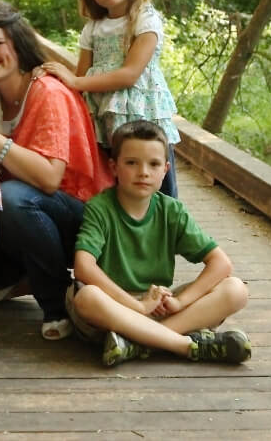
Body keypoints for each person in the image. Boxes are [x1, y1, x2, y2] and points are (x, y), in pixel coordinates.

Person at [0, 0, 113, 341]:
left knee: (13, 196)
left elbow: (50, 178)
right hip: (26, 223)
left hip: (81, 216)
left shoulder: (48, 92)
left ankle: (57, 304)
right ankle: (7, 279)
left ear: (17, 44)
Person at [66, 120, 250, 366]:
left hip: (158, 307)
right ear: (114, 167)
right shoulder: (100, 209)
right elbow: (83, 267)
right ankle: (184, 344)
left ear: (165, 170)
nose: (143, 172)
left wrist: (179, 302)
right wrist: (137, 307)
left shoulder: (171, 210)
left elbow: (220, 263)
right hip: (115, 307)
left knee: (235, 289)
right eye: (132, 163)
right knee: (86, 297)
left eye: (153, 164)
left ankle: (136, 343)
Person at [41, 0, 181, 198]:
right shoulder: (93, 29)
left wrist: (74, 81)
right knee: (114, 185)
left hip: (143, 121)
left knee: (158, 190)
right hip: (104, 122)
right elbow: (80, 77)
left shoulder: (145, 19)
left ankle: (169, 233)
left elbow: (129, 75)